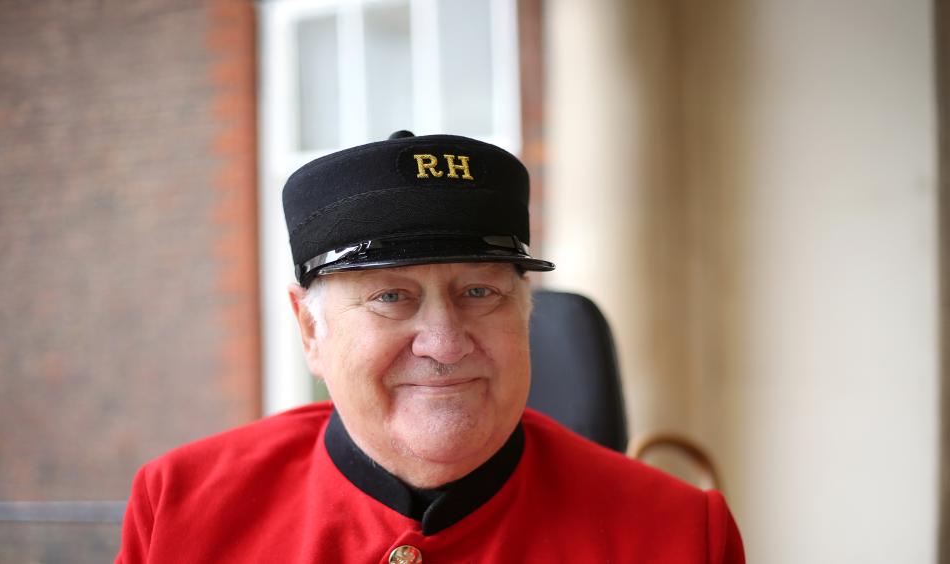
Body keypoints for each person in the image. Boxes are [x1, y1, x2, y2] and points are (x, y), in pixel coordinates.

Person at [116, 131, 745, 563]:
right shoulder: (180, 509)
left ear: (525, 315)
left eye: (479, 292)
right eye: (392, 297)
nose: (444, 343)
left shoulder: (680, 534)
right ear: (311, 331)